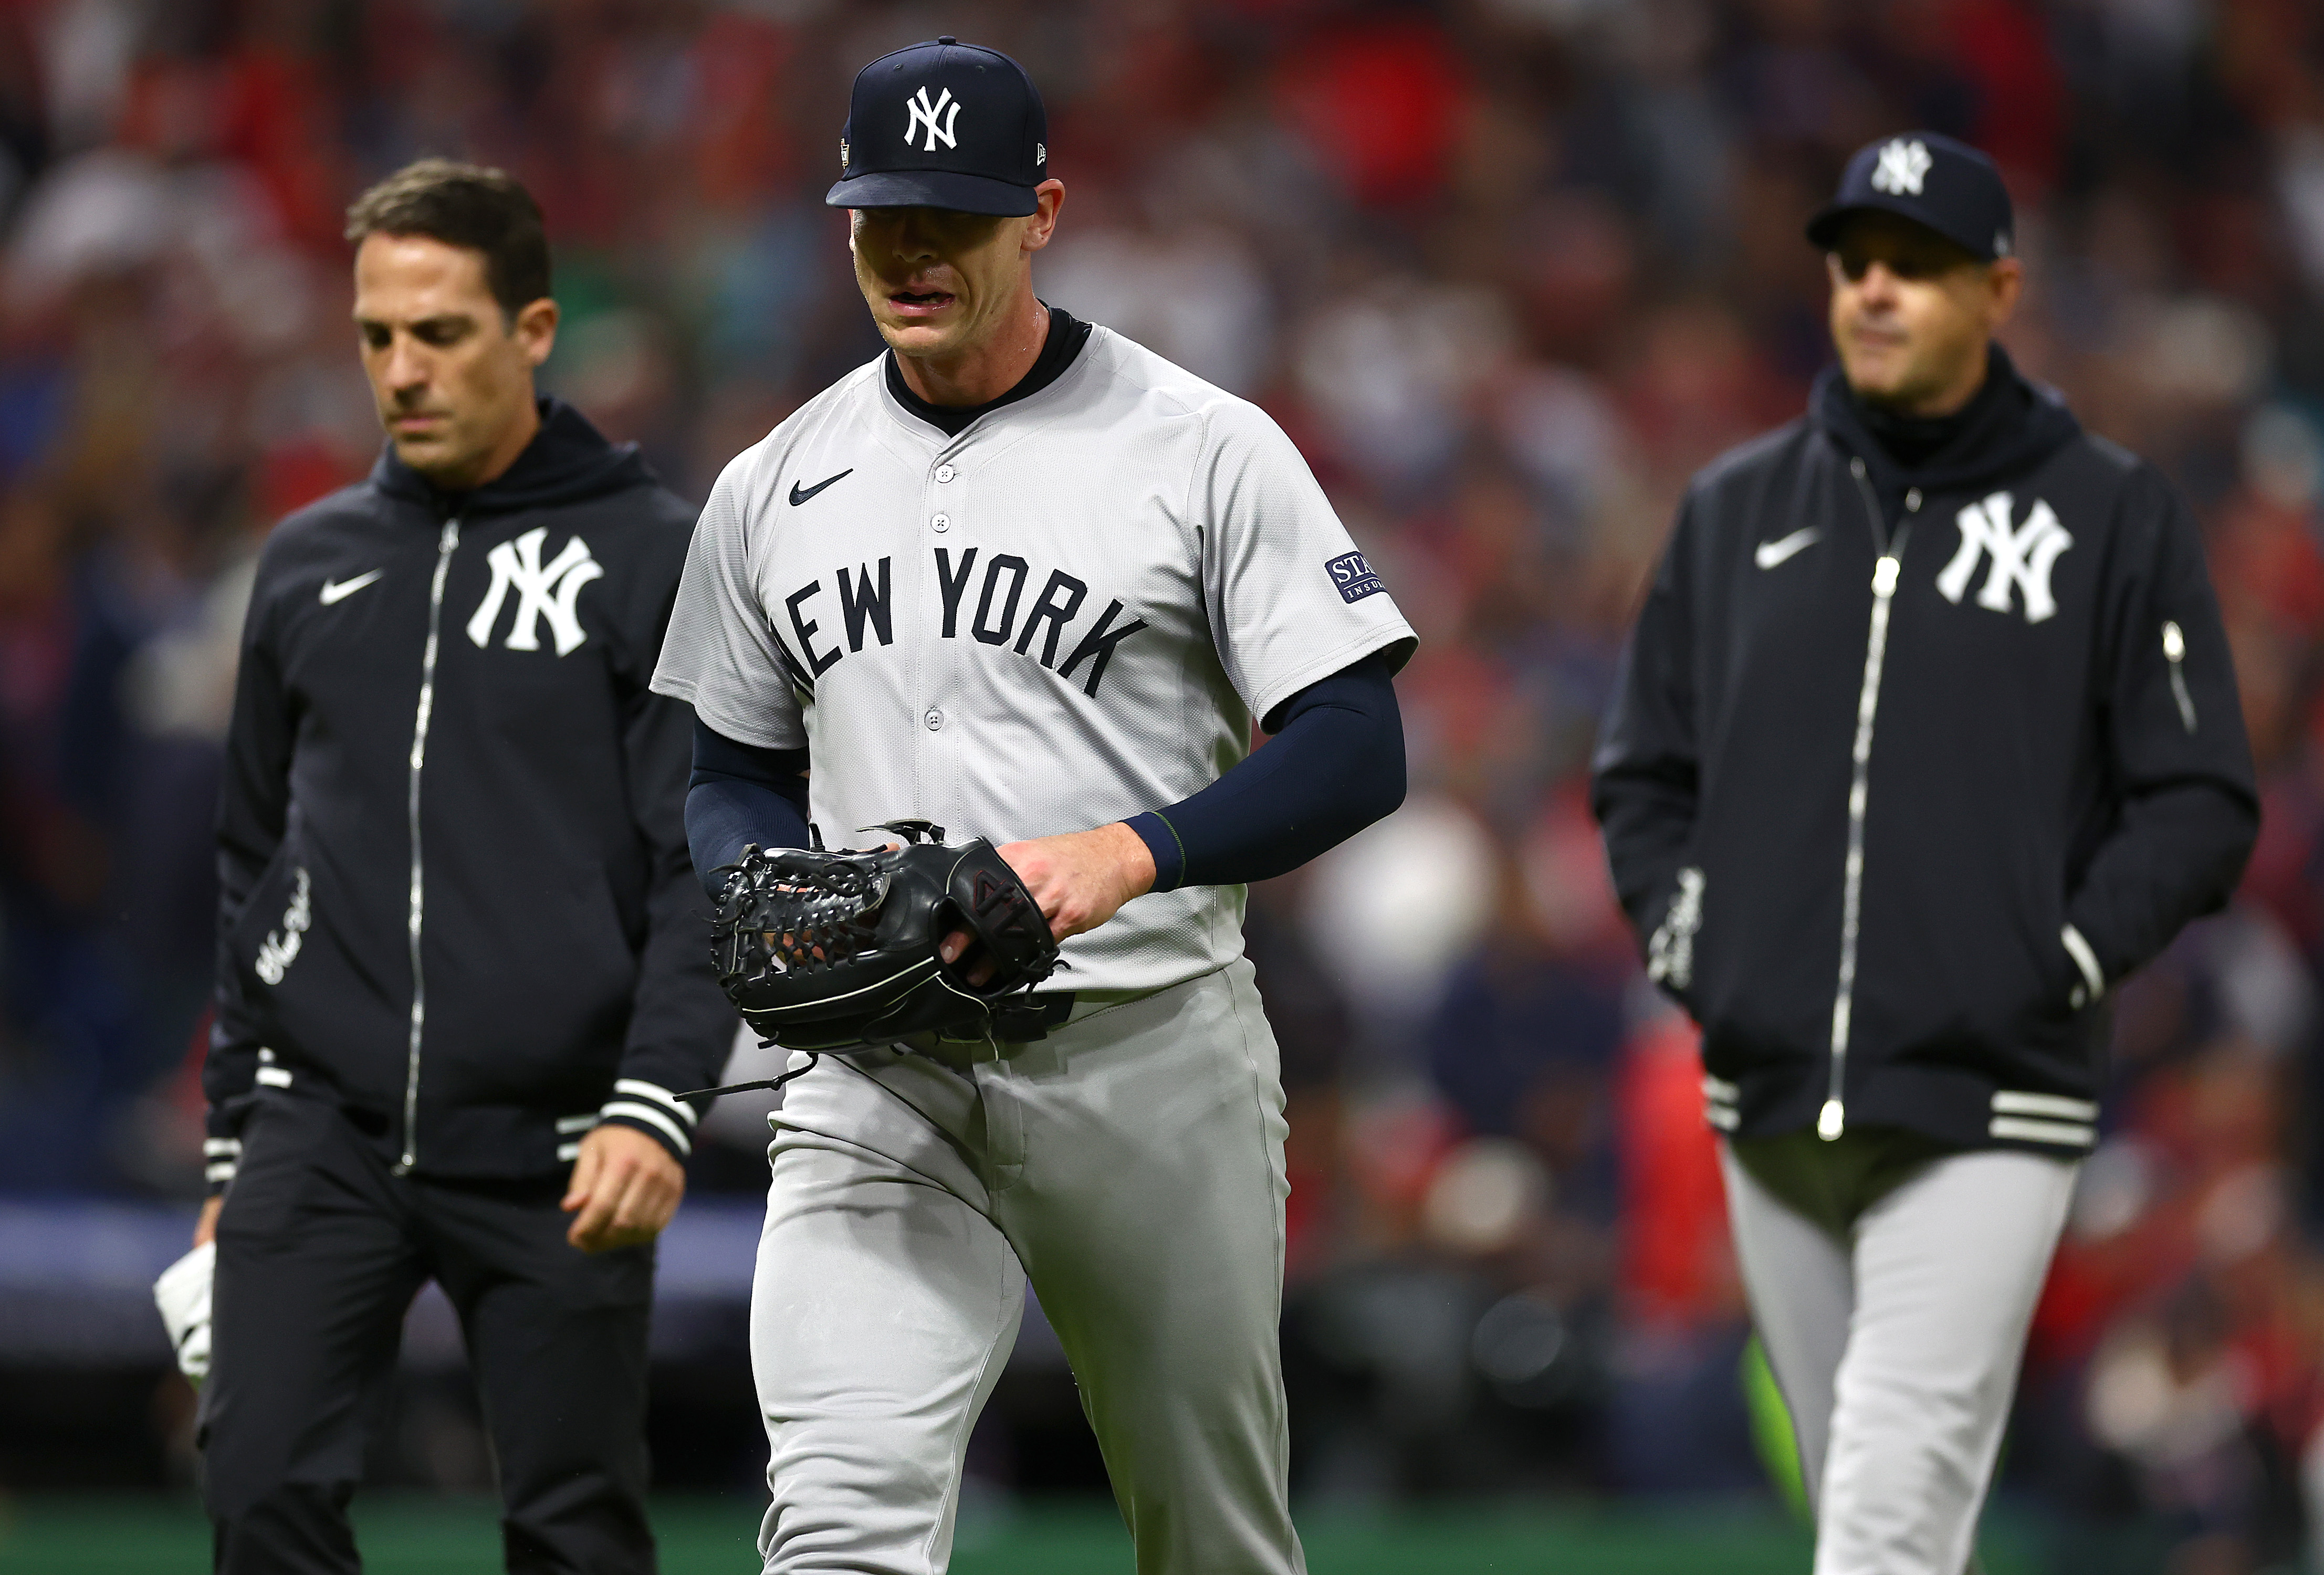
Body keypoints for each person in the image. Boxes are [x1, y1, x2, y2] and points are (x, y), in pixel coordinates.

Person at [650, 37, 1416, 1575]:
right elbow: (729, 773)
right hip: (878, 1071)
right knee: (837, 1526)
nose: (913, 252)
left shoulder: (1200, 445)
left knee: (1210, 1542)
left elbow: (1354, 742)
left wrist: (1130, 853)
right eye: (884, 217)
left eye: (955, 216)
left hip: (1144, 1054)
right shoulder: (771, 482)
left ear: (1042, 215)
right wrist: (759, 883)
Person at [1593, 131, 2259, 1574]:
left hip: (1986, 1094)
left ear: (1999, 290)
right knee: (1874, 1507)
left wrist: (2057, 958)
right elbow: (1643, 773)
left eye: (1919, 265)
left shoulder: (2107, 514)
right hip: (1770, 1096)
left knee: (1887, 1517)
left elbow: (2199, 797)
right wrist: (1697, 947)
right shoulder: (1735, 510)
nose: (1877, 291)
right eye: (1856, 263)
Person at [195, 160, 732, 1573]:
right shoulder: (305, 564)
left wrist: (657, 1100)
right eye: (377, 336)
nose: (401, 371)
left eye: (439, 333)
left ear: (534, 330)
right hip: (321, 1128)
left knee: (573, 1533)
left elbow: (702, 860)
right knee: (258, 1496)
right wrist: (234, 1136)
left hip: (564, 1137)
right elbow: (254, 862)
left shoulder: (652, 556)